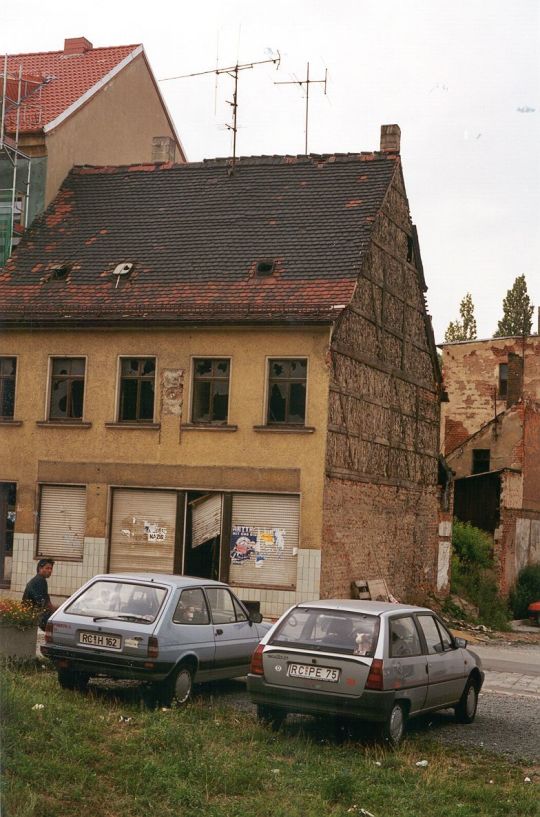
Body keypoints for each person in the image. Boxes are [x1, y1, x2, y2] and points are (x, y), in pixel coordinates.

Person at [22, 558, 55, 630]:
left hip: (34, 612)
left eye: (51, 568)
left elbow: (47, 600)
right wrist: (55, 613)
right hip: (31, 614)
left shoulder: (41, 579)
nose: (50, 571)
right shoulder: (39, 580)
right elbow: (43, 603)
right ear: (40, 568)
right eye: (47, 568)